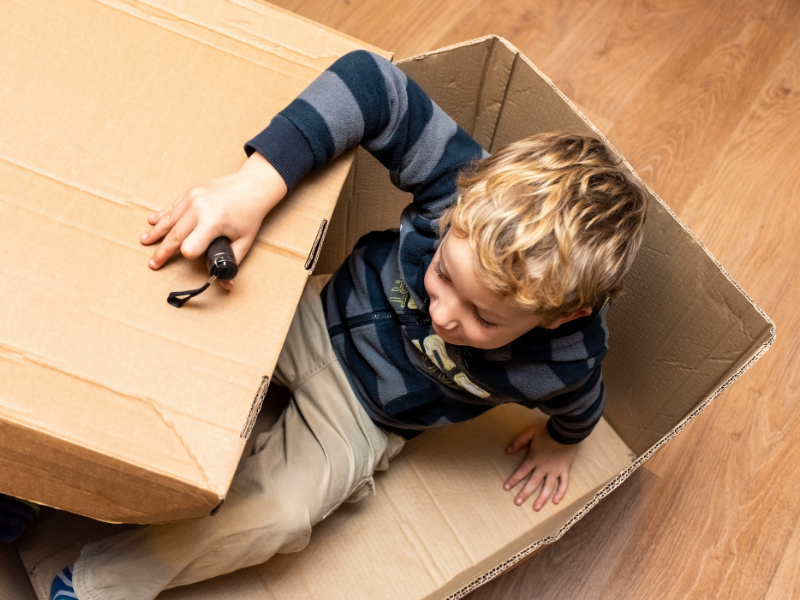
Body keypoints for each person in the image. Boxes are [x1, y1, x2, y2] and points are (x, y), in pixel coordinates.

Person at [49, 50, 647, 600]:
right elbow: (370, 81)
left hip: (365, 416)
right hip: (309, 314)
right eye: (441, 271)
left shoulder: (566, 355)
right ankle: (43, 463)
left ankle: (100, 584)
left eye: (484, 317)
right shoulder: (461, 186)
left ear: (562, 316)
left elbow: (581, 403)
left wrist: (561, 445)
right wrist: (255, 185)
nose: (443, 315)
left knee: (277, 513)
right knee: (157, 319)